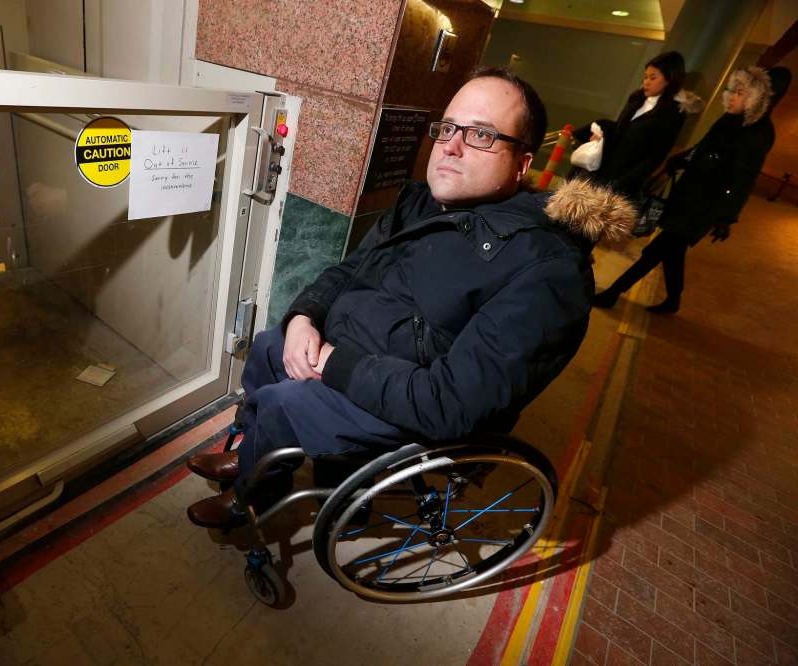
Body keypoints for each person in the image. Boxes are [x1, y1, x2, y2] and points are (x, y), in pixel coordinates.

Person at [185, 67, 636, 529]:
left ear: (521, 164)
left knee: (287, 402)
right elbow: (348, 271)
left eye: (481, 134)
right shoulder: (420, 204)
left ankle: (252, 496)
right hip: (350, 353)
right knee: (268, 345)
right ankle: (259, 459)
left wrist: (332, 364)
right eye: (448, 128)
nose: (451, 145)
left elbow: (453, 403)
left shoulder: (548, 270)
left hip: (407, 399)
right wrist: (305, 316)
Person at [592, 65, 790, 314]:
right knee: (673, 253)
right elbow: (703, 147)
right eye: (733, 90)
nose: (732, 97)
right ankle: (674, 300)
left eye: (740, 93)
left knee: (657, 250)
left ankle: (613, 293)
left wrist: (726, 216)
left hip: (706, 205)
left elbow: (744, 178)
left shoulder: (760, 133)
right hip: (688, 194)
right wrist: (680, 160)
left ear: (758, 100)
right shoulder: (728, 120)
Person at [571, 51, 702, 199]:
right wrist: (602, 135)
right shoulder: (637, 97)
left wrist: (622, 184)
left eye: (653, 78)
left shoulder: (673, 113)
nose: (646, 82)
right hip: (599, 169)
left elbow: (655, 156)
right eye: (645, 76)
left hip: (620, 181)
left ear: (670, 79)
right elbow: (621, 129)